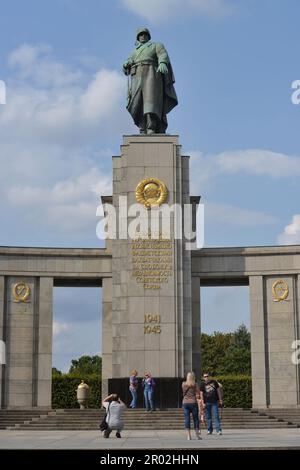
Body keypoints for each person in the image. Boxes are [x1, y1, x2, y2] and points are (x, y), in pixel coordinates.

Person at [123, 27, 178, 134]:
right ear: (138, 37)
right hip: (137, 77)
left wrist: (162, 62)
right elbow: (126, 66)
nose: (143, 36)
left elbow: (162, 54)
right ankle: (142, 127)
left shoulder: (155, 45)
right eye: (140, 35)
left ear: (148, 36)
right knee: (137, 102)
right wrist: (126, 64)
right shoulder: (134, 51)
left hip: (151, 74)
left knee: (151, 102)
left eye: (144, 34)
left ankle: (151, 127)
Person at [182, 372, 202, 441]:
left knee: (187, 419)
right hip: (193, 402)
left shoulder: (183, 384)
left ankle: (188, 436)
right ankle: (197, 436)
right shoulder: (195, 384)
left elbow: (183, 392)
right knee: (195, 419)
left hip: (185, 403)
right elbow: (198, 393)